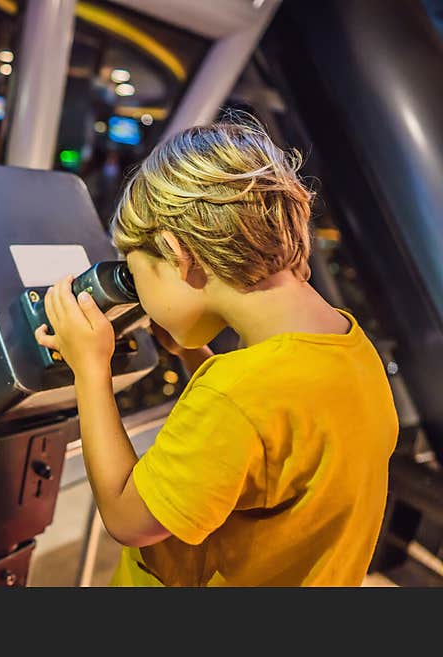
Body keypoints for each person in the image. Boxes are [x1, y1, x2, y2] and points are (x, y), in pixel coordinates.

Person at [35, 118, 398, 586]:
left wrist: (90, 369)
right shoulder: (350, 346)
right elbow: (270, 441)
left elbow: (128, 519)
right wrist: (193, 356)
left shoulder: (237, 395)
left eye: (137, 272)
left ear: (176, 252)